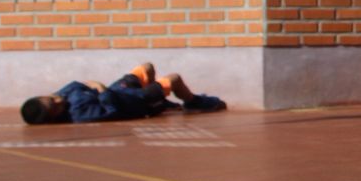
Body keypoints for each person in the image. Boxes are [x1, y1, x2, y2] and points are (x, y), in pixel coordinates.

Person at [20, 62, 224, 124]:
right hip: (134, 101)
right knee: (174, 79)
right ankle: (193, 101)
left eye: (50, 98)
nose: (57, 99)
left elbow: (76, 85)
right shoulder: (80, 114)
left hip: (119, 90)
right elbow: (112, 111)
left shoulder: (61, 95)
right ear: (54, 116)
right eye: (54, 105)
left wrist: (95, 86)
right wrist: (100, 89)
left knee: (146, 68)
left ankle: (162, 102)